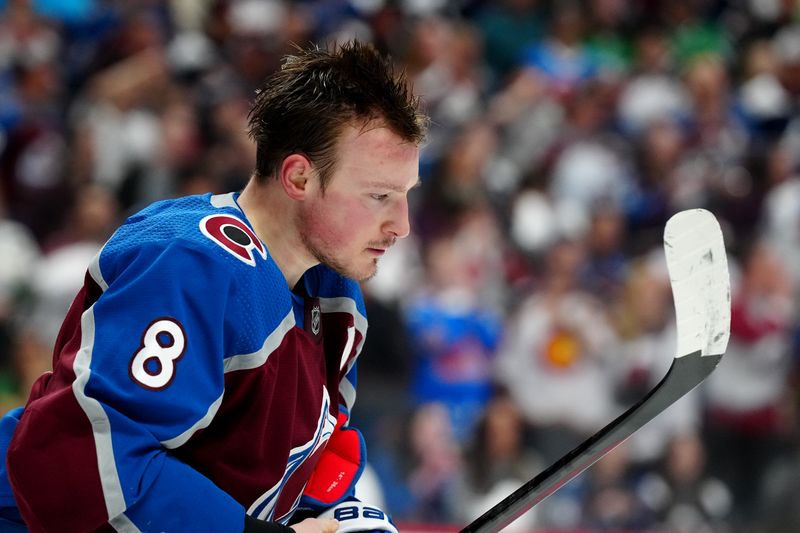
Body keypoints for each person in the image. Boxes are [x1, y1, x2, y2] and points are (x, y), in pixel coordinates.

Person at [0, 40, 428, 533]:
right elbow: (81, 463)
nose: (402, 225)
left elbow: (309, 457)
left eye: (406, 195)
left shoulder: (334, 293)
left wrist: (348, 518)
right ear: (299, 177)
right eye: (380, 195)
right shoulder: (190, 262)